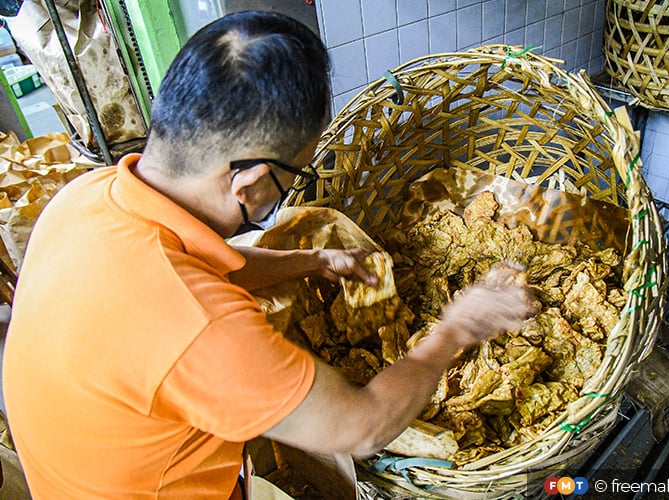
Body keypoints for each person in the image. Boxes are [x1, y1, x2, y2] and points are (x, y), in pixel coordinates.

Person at [2, 11, 529, 499]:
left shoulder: (86, 196)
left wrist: (313, 261)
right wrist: (457, 328)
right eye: (295, 175)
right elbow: (361, 426)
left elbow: (194, 271)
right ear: (252, 181)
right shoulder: (200, 328)